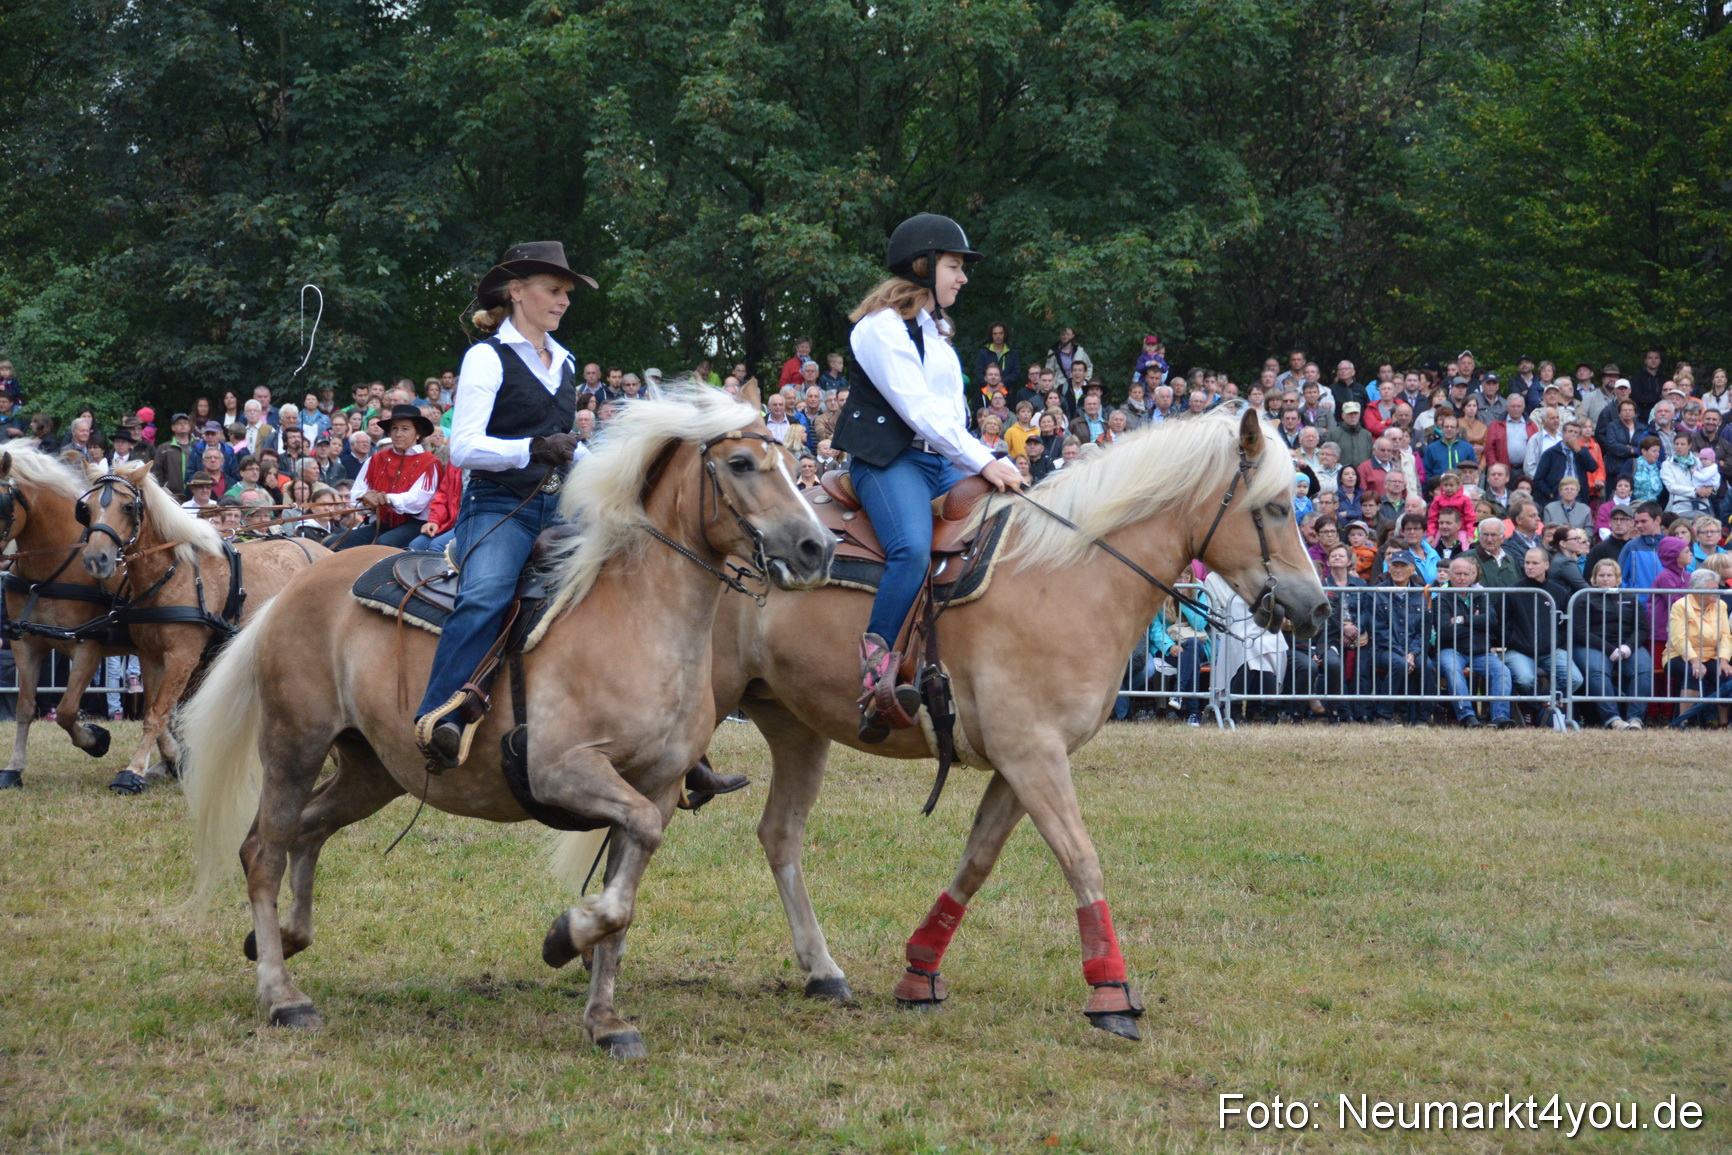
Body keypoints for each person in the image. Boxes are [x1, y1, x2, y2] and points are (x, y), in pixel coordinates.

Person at [831, 213, 1021, 742]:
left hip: (939, 462)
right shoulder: (878, 329)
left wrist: (985, 464)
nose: (963, 278)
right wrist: (984, 460)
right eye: (955, 266)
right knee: (911, 552)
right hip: (888, 462)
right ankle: (875, 671)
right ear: (923, 265)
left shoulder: (937, 335)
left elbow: (950, 418)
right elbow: (917, 411)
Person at [413, 242, 594, 769]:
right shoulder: (485, 356)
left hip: (562, 506)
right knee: (487, 595)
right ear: (517, 292)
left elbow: (568, 444)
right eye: (554, 290)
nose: (563, 301)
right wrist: (533, 449)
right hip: (498, 506)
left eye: (566, 294)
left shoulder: (565, 361)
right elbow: (463, 447)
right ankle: (438, 716)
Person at [336, 405, 441, 550]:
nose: (398, 434)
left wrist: (386, 498)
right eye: (394, 428)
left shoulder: (429, 463)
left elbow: (417, 502)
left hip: (413, 524)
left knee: (383, 545)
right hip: (380, 523)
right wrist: (366, 499)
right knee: (333, 544)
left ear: (418, 433)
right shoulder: (376, 459)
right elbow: (355, 496)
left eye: (405, 429)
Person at [1432, 554, 1514, 727]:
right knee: (1452, 670)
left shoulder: (1481, 595)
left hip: (1480, 651)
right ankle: (1467, 716)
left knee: (1502, 671)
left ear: (1473, 576)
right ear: (1450, 575)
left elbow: (1491, 621)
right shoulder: (1442, 597)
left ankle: (1500, 717)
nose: (1462, 578)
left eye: (1466, 574)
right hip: (1451, 649)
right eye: (1458, 574)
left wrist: (1461, 620)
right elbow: (1444, 631)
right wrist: (1476, 623)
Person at [1572, 558, 1651, 729]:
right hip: (1593, 646)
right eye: (1601, 575)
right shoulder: (1584, 598)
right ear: (1594, 578)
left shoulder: (1629, 597)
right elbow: (1580, 632)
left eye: (1609, 575)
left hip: (1627, 645)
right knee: (1597, 671)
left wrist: (1628, 646)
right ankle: (1612, 719)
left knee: (1643, 670)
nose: (1605, 579)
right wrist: (1609, 649)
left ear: (1617, 578)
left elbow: (1642, 628)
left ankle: (1636, 718)